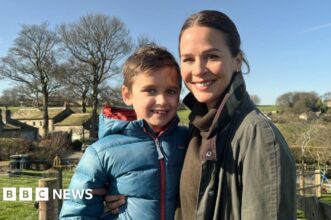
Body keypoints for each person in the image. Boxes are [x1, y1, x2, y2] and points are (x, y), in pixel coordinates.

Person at [105, 10, 296, 220]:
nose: (198, 70)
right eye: (188, 59)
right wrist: (122, 195)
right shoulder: (197, 129)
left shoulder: (258, 136)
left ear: (237, 60)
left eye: (212, 56)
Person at [59, 44, 188, 220]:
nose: (162, 100)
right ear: (127, 95)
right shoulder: (101, 152)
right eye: (150, 90)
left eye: (171, 91)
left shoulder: (189, 140)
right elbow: (76, 213)